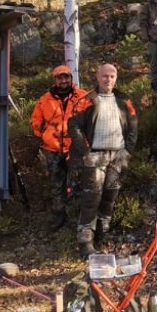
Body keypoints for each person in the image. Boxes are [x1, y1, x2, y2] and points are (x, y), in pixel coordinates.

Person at [68, 63, 138, 258]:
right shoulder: (88, 99)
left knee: (110, 195)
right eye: (105, 76)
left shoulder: (124, 99)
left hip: (118, 155)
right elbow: (73, 125)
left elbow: (133, 125)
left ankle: (103, 233)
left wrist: (128, 151)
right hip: (95, 155)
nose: (108, 79)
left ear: (116, 78)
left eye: (112, 76)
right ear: (97, 77)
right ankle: (85, 241)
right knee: (92, 198)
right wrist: (85, 150)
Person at [30, 64, 87, 231]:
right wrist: (46, 135)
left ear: (71, 78)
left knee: (76, 184)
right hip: (52, 150)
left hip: (75, 149)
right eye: (60, 77)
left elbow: (91, 121)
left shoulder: (83, 97)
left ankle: (75, 218)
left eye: (66, 77)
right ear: (55, 80)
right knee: (56, 185)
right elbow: (35, 122)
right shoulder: (44, 100)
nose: (63, 80)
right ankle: (58, 217)